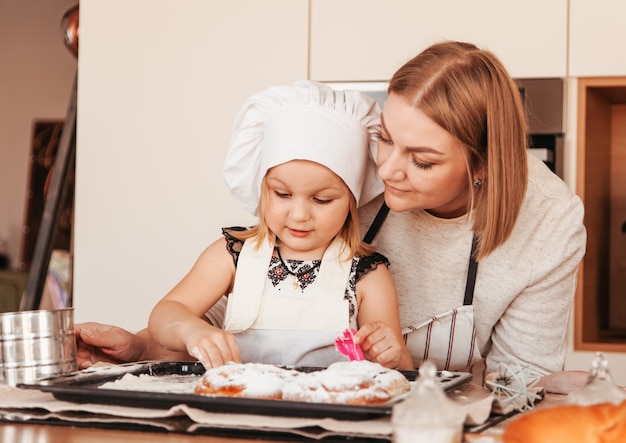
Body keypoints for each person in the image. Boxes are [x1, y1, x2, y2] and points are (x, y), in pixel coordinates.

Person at [75, 41, 587, 392]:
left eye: (422, 161)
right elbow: (243, 303)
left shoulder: (547, 224)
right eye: (386, 136)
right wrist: (141, 346)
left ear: (482, 165)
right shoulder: (339, 171)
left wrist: (409, 382)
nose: (386, 168)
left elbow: (518, 386)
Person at [144, 80, 411, 370]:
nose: (299, 215)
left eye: (322, 200)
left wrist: (390, 353)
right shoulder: (232, 256)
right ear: (262, 188)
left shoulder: (367, 274)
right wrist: (191, 331)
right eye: (282, 194)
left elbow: (404, 369)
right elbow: (165, 314)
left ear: (351, 201)